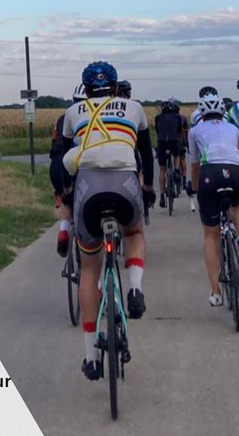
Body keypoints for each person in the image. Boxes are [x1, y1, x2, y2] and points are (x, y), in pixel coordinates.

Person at [62, 61, 154, 381]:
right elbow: (146, 153)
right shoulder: (135, 108)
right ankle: (134, 288)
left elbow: (63, 161)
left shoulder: (74, 113)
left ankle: (90, 357)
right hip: (125, 186)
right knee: (135, 232)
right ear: (116, 88)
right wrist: (149, 188)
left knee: (89, 269)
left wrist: (65, 199)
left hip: (88, 189)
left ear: (85, 90)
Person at [187, 93, 239, 307]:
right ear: (222, 111)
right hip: (235, 171)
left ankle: (216, 293)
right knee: (238, 214)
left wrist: (193, 189)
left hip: (209, 174)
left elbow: (194, 164)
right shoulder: (233, 128)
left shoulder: (195, 131)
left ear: (201, 113)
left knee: (211, 236)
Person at [51, 84, 88, 256]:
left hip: (56, 165)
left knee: (66, 198)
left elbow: (54, 145)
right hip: (76, 164)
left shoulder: (62, 118)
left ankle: (64, 231)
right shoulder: (91, 117)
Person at [154, 98, 187, 210]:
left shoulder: (157, 118)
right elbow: (179, 131)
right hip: (173, 141)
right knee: (177, 155)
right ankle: (176, 170)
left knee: (162, 170)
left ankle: (162, 196)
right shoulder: (177, 117)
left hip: (162, 143)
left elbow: (158, 131)